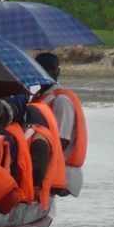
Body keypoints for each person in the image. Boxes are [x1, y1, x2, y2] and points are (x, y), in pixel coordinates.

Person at [34, 51, 86, 196]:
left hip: (63, 172)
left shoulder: (61, 100)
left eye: (51, 69)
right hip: (51, 168)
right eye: (43, 69)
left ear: (58, 71)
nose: (48, 73)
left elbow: (62, 140)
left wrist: (37, 166)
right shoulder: (40, 97)